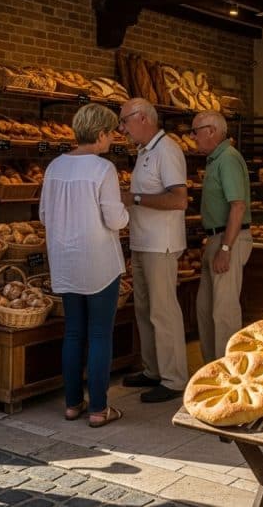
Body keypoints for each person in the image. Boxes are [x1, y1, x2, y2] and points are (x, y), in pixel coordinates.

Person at [40, 103, 128, 428]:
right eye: (111, 132)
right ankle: (99, 408)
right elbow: (114, 218)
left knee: (73, 332)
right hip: (98, 260)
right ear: (101, 133)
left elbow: (44, 215)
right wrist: (128, 213)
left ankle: (72, 404)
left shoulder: (54, 168)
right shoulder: (103, 169)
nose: (113, 138)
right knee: (100, 334)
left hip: (64, 259)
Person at [117, 98, 189, 403]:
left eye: (124, 121)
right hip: (143, 242)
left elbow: (178, 200)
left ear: (143, 118)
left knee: (163, 311)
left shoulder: (167, 151)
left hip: (162, 244)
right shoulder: (145, 151)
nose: (121, 128)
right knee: (145, 310)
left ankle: (174, 379)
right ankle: (153, 369)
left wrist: (132, 199)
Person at [189, 110, 252, 363]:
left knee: (223, 313)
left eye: (195, 131)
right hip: (216, 238)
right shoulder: (216, 159)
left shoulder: (227, 158)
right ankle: (211, 369)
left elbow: (238, 206)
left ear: (212, 131)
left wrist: (225, 249)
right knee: (205, 310)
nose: (192, 137)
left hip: (229, 239)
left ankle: (228, 372)